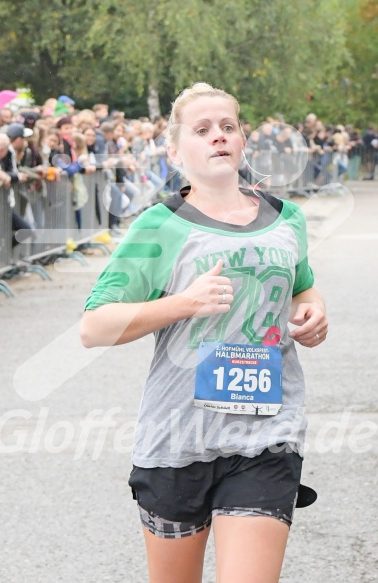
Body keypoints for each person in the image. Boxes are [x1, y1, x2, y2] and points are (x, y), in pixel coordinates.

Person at [80, 82, 328, 583]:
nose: (218, 136)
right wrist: (182, 304)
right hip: (177, 437)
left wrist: (313, 314)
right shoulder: (159, 226)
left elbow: (304, 289)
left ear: (242, 141)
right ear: (175, 150)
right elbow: (93, 327)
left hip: (266, 434)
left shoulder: (286, 219)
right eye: (202, 129)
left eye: (228, 127)